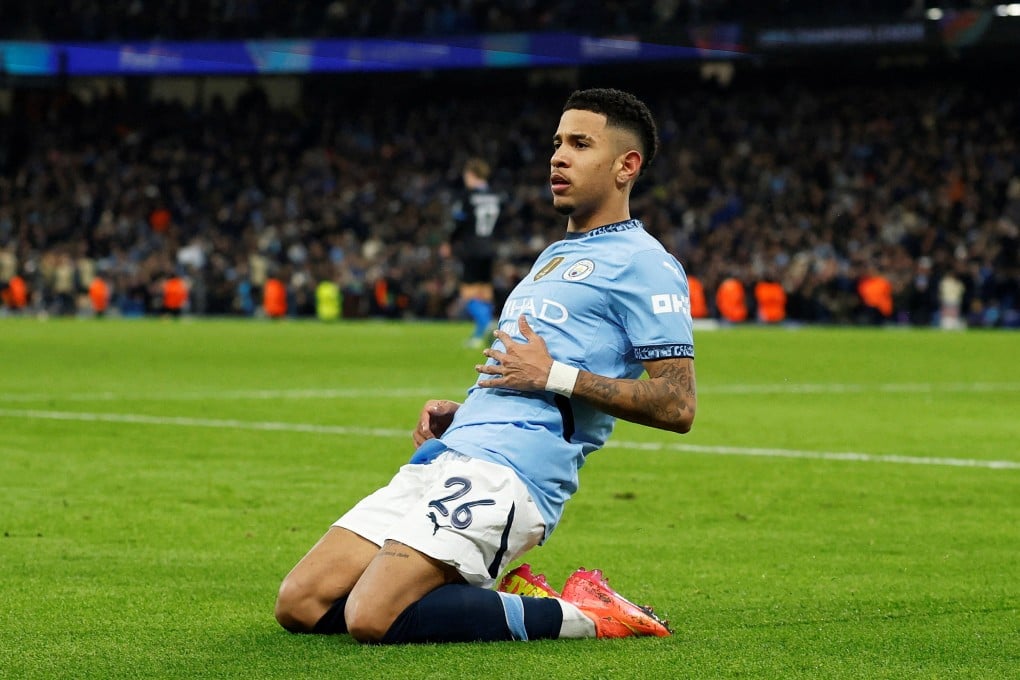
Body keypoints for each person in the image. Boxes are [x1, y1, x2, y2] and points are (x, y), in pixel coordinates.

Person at [275, 88, 697, 644]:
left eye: (579, 143)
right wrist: (464, 411)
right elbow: (520, 371)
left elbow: (678, 404)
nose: (558, 156)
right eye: (556, 143)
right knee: (301, 603)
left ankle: (588, 615)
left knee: (370, 617)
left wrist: (553, 376)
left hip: (513, 473)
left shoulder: (646, 264)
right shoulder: (553, 257)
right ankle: (467, 593)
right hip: (450, 454)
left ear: (627, 165)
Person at [448, 157, 502, 347]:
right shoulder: (495, 195)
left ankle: (486, 324)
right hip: (489, 247)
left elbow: (459, 223)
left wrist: (449, 242)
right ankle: (480, 335)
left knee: (468, 293)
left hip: (472, 247)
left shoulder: (467, 196)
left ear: (471, 175)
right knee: (485, 292)